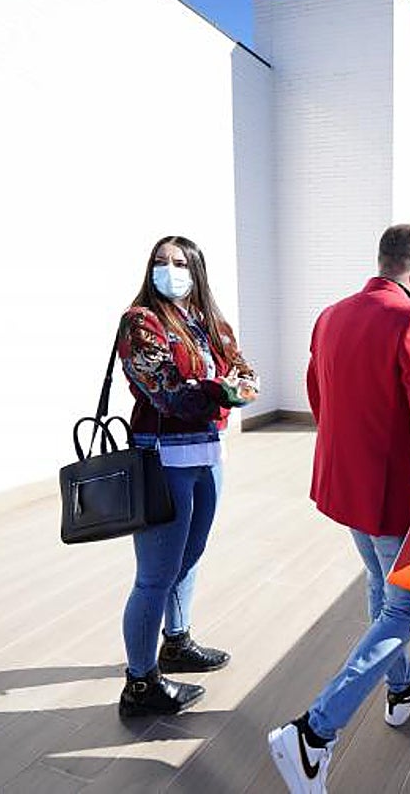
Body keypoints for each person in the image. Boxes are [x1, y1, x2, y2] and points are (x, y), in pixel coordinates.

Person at [268, 224, 410, 793]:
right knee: (406, 611)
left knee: (382, 589)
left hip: (348, 488)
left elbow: (318, 396)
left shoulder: (330, 316)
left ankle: (402, 689)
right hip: (398, 500)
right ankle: (313, 733)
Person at [115, 235, 259, 717]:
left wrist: (222, 387)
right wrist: (223, 390)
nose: (169, 269)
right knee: (155, 576)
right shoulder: (141, 322)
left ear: (196, 270)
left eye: (179, 262)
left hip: (205, 454)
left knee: (190, 556)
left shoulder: (208, 322)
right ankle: (139, 685)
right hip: (160, 457)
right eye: (160, 261)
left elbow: (245, 374)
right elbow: (169, 394)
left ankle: (175, 643)